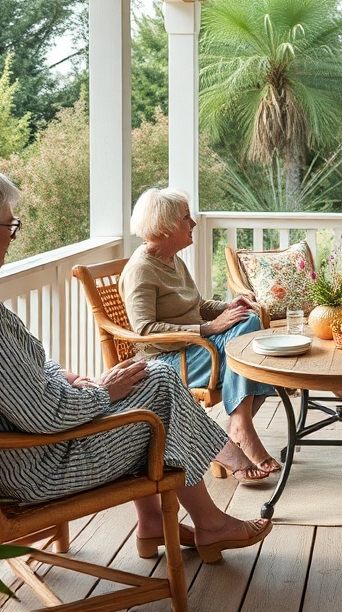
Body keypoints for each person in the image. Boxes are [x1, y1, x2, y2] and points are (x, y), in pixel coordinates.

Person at [0, 166, 271, 563]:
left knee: (145, 380)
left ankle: (158, 520)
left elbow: (10, 376)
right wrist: (102, 392)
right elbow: (49, 416)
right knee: (160, 382)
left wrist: (65, 377)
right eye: (10, 226)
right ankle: (212, 514)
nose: (13, 237)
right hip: (31, 470)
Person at [119, 187, 280, 482]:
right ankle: (241, 427)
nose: (193, 223)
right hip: (171, 360)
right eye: (185, 218)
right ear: (165, 226)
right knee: (248, 341)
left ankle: (240, 426)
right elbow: (145, 330)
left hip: (195, 349)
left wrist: (229, 307)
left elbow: (197, 305)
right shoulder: (141, 269)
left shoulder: (172, 260)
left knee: (249, 322)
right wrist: (209, 328)